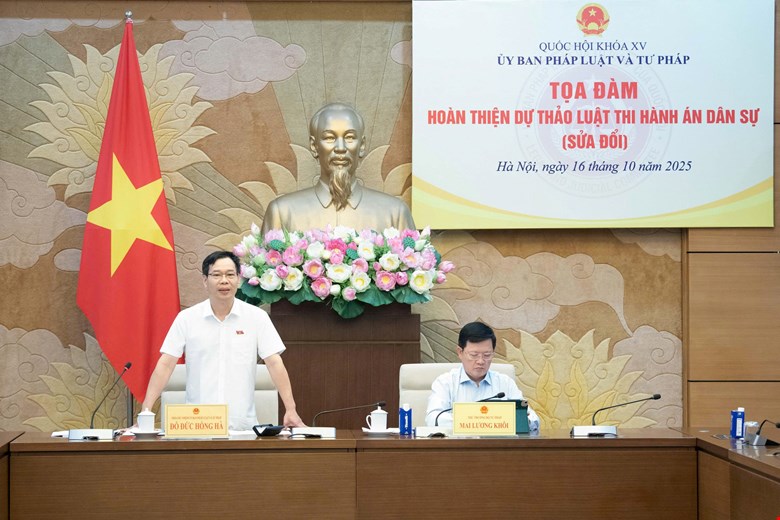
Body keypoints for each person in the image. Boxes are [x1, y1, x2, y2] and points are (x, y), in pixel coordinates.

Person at [141, 251, 305, 430]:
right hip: (197, 426)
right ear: (205, 280)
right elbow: (165, 365)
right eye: (217, 275)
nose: (224, 281)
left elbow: (274, 363)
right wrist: (146, 411)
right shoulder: (186, 318)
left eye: (230, 274)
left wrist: (291, 409)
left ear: (238, 279)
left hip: (242, 426)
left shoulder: (257, 317)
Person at [261, 102, 415, 234]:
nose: (340, 148)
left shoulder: (395, 214)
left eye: (349, 137)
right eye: (329, 138)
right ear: (314, 146)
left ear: (361, 146)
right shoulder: (282, 213)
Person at [425, 322, 540, 431]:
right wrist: (479, 421)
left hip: (498, 444)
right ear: (460, 352)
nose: (480, 361)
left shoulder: (505, 383)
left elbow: (533, 420)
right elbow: (433, 419)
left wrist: (522, 421)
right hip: (460, 444)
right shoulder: (445, 382)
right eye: (474, 355)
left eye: (487, 355)